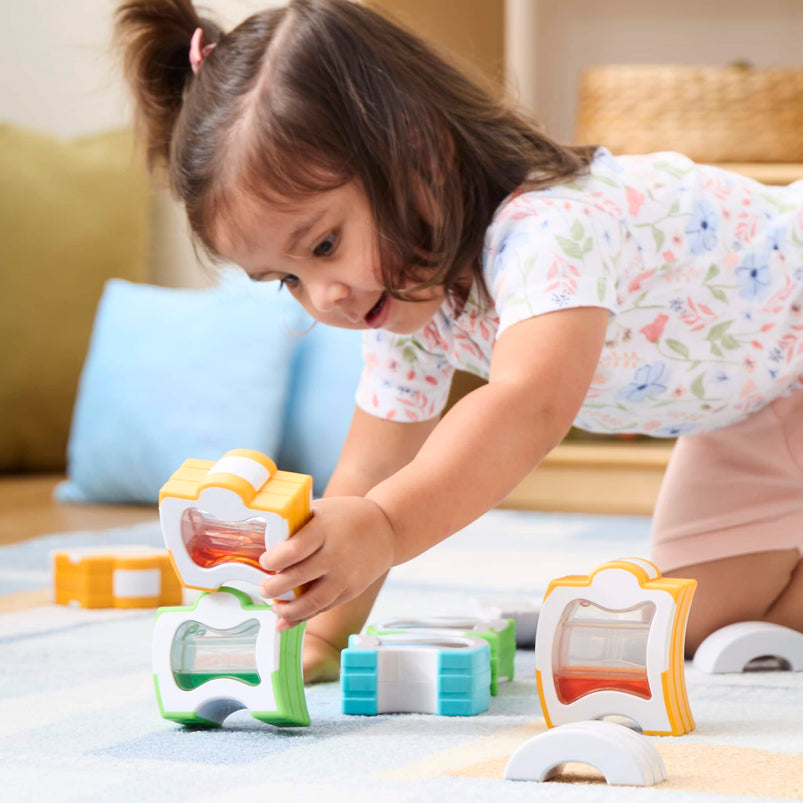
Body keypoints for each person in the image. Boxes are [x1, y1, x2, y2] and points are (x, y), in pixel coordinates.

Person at [116, 0, 803, 682]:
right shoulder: (407, 305)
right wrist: (320, 631)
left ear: (420, 149)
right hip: (754, 406)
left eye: (325, 243)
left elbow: (526, 404)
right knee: (704, 619)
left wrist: (384, 528)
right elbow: (369, 476)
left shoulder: (549, 228)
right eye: (286, 279)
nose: (324, 294)